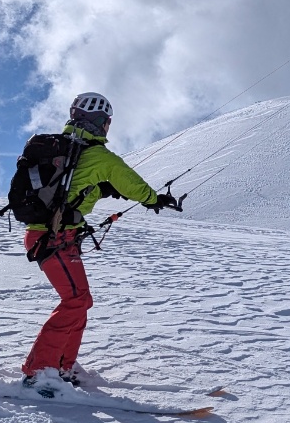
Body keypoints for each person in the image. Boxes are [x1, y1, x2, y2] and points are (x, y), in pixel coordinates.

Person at [21, 92, 178, 392]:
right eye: (106, 123)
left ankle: (63, 365)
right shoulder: (98, 156)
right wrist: (153, 199)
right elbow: (131, 182)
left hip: (51, 235)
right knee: (76, 300)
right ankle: (40, 370)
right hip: (53, 237)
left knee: (80, 300)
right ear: (99, 122)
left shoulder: (67, 151)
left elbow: (76, 186)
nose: (107, 128)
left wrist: (101, 190)